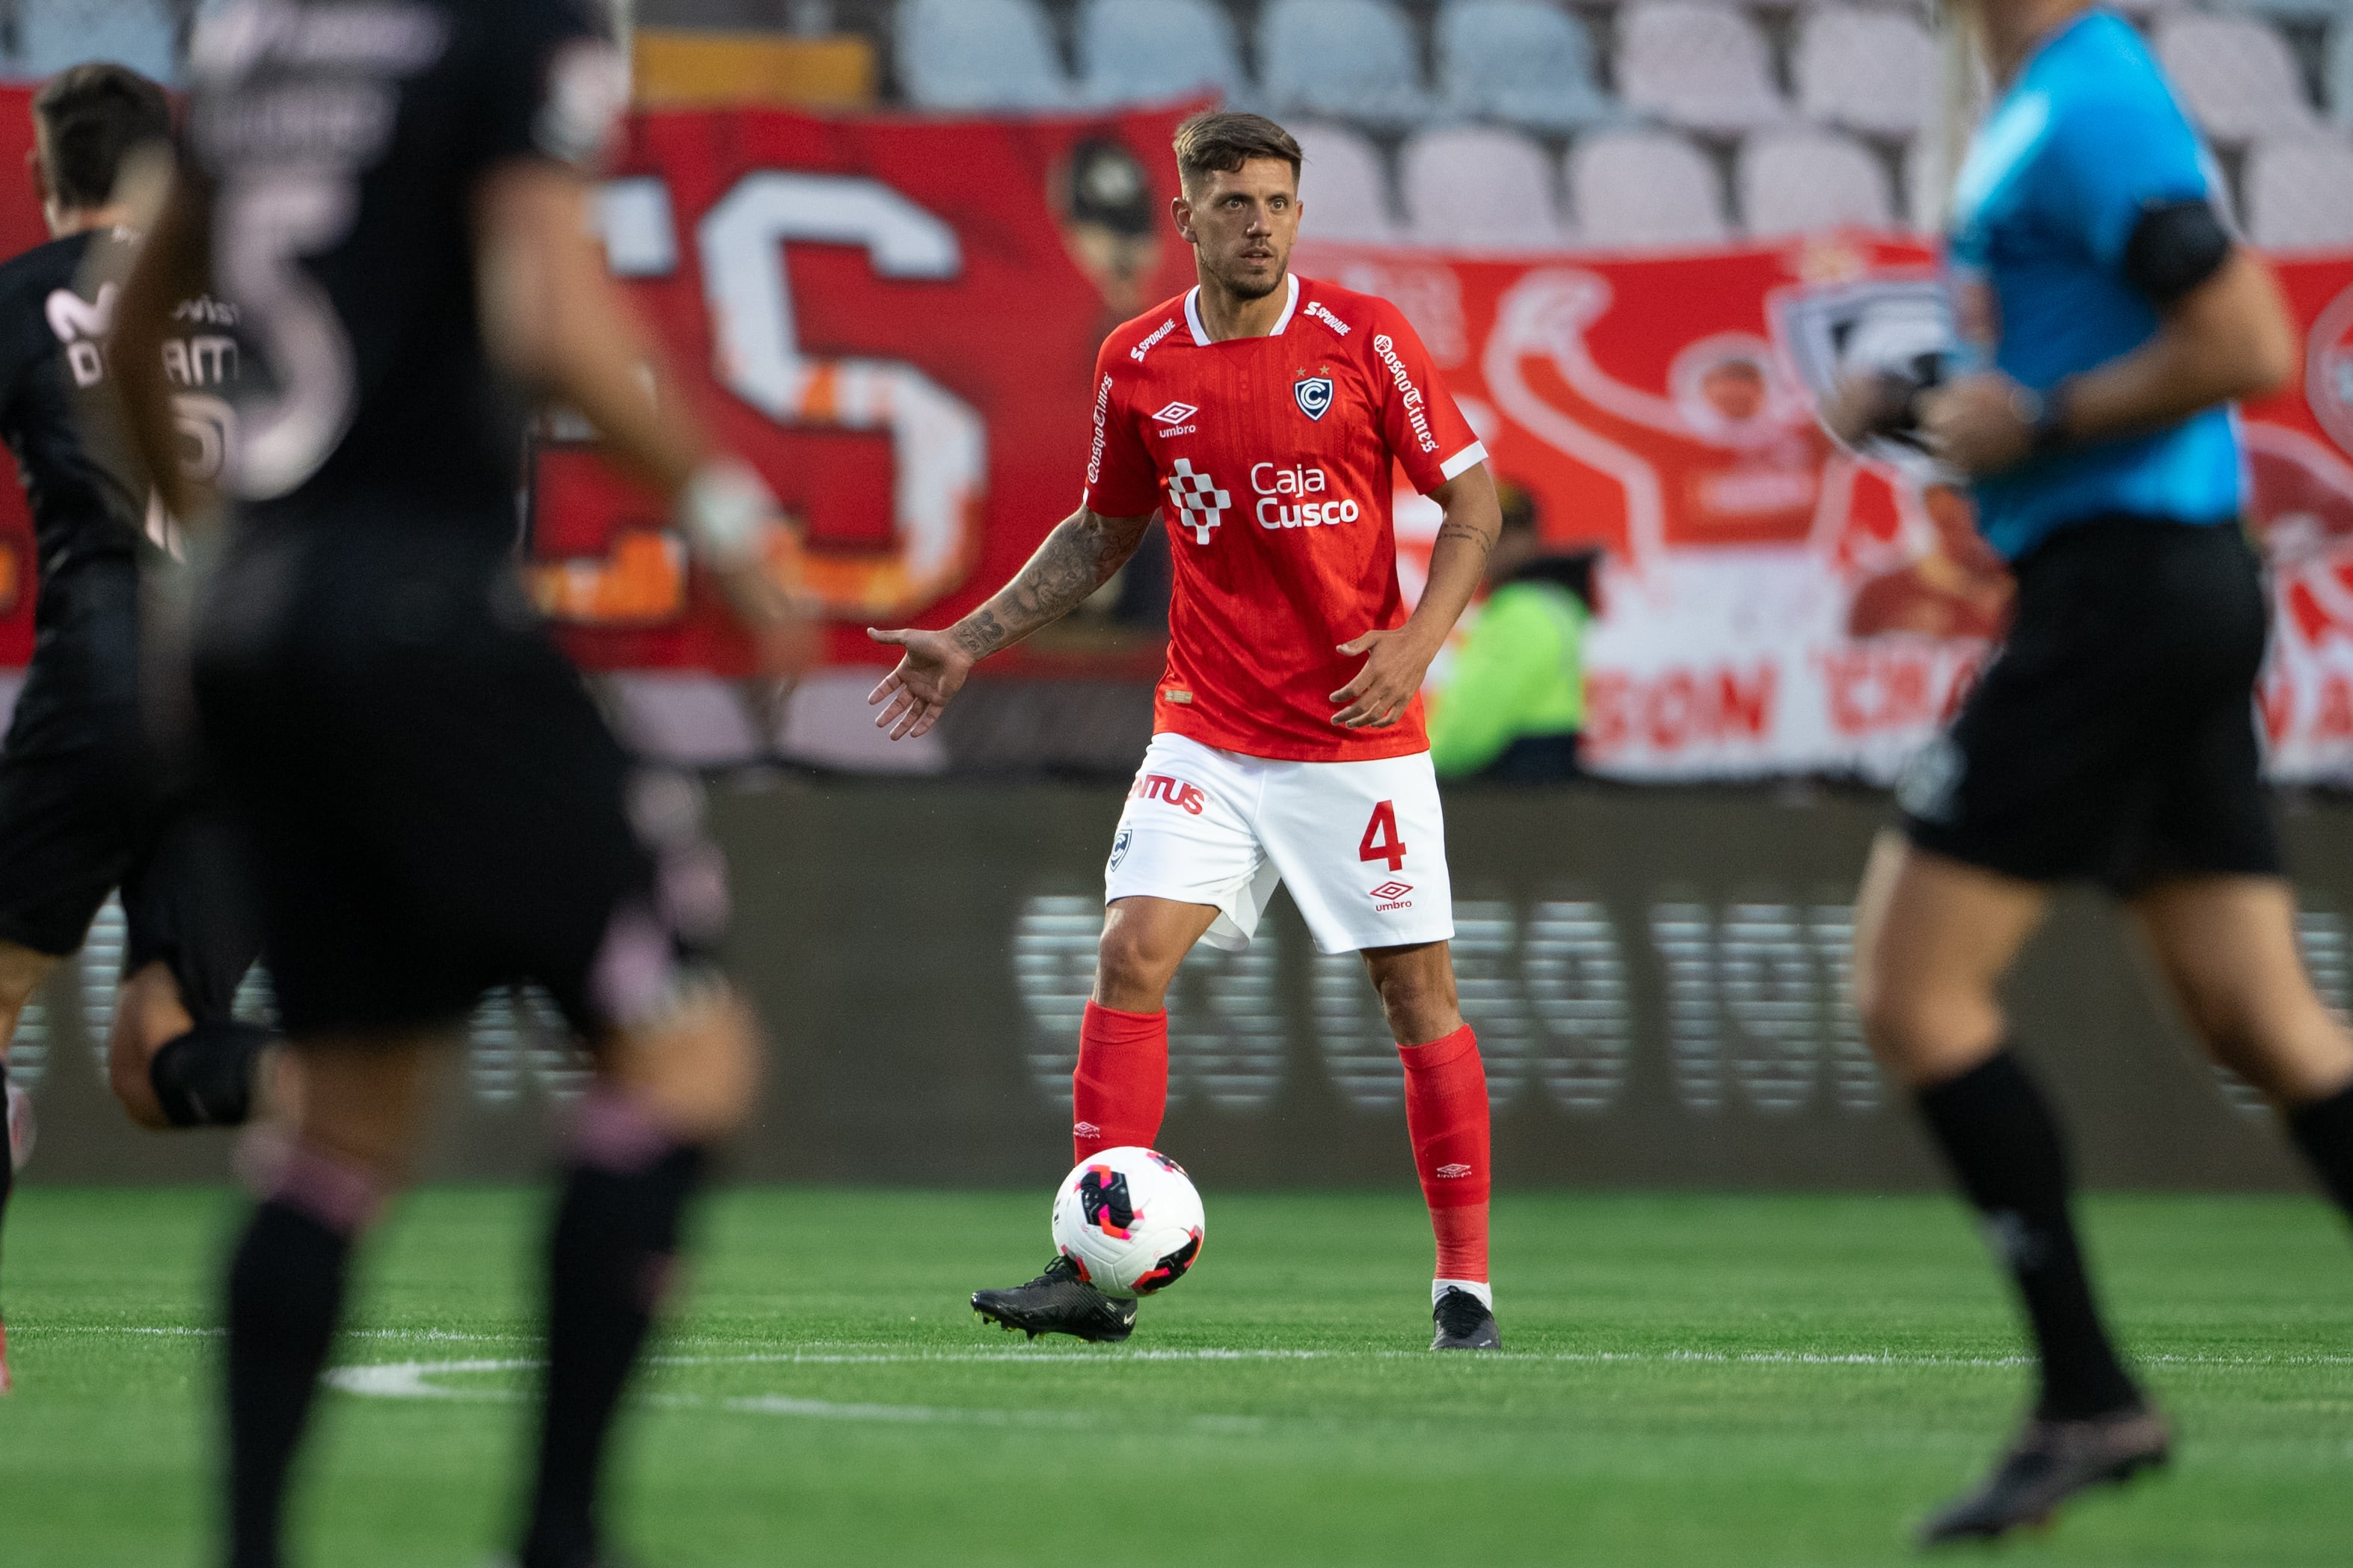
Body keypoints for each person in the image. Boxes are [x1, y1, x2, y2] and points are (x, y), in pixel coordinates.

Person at [114, 3, 806, 1564]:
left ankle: (250, 1545)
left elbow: (143, 305)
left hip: (258, 623)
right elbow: (549, 311)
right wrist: (726, 511)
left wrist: (209, 560)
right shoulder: (518, 24)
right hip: (427, 606)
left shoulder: (255, 37)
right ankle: (560, 1532)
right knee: (686, 1060)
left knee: (342, 1125)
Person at [1826, 0, 2353, 1543]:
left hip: (2121, 597)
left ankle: (2084, 1394)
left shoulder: (2082, 104)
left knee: (1911, 993)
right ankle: (2082, 1396)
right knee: (2266, 1023)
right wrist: (1928, 398)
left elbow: (2246, 340)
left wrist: (2042, 414)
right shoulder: (2043, 105)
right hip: (2157, 583)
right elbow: (2069, 358)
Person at [869, 110, 1507, 1352]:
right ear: (1187, 220)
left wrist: (1417, 644)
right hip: (1206, 731)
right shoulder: (1138, 361)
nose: (1257, 223)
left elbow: (1471, 502)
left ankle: (1465, 1286)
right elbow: (1100, 533)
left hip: (1352, 735)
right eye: (1232, 204)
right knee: (1128, 953)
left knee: (1415, 991)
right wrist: (973, 638)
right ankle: (1092, 1271)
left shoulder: (1365, 339)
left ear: (1298, 214)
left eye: (1276, 202)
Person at [0, 63, 283, 1398]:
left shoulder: (30, 290)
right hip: (250, 696)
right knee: (157, 1055)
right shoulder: (269, 295)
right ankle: (335, 1071)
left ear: (53, 175)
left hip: (106, 671)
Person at [1429, 485, 1592, 783]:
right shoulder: (1552, 602)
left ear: (1532, 537)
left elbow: (1470, 729)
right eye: (1477, 531)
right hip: (1537, 786)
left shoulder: (1521, 611)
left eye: (1504, 532)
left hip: (1512, 789)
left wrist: (1420, 771)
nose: (1490, 544)